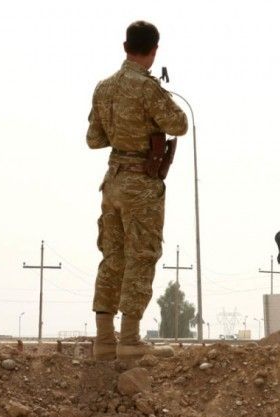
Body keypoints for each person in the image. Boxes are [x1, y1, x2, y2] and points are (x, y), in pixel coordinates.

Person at [86, 20, 188, 360]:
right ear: (154, 50)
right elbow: (179, 124)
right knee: (141, 256)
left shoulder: (103, 88)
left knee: (112, 257)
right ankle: (129, 340)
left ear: (125, 46)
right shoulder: (147, 88)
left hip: (113, 181)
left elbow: (94, 139)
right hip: (141, 184)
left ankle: (104, 341)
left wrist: (123, 132)